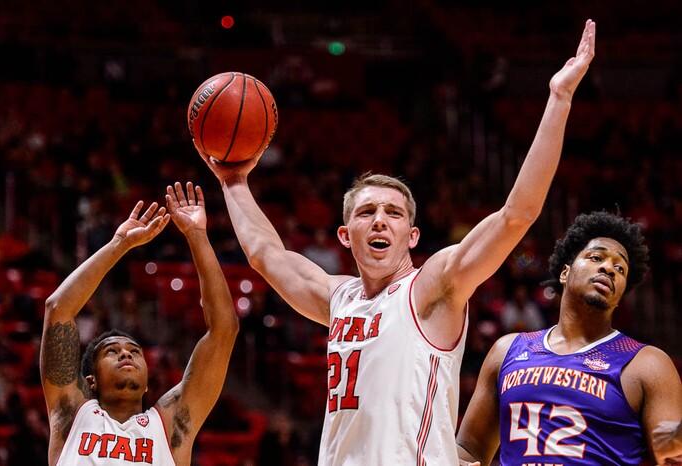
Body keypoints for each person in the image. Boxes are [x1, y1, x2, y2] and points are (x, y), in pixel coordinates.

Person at [195, 19, 596, 466]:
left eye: (394, 214)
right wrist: (232, 180)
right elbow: (265, 254)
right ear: (346, 236)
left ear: (413, 235)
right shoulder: (338, 299)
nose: (380, 221)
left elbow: (516, 215)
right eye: (367, 213)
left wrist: (559, 99)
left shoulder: (432, 289)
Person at [456, 211, 682, 465]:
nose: (609, 268)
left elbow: (671, 455)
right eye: (596, 257)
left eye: (620, 268)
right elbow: (469, 449)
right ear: (565, 272)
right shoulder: (506, 350)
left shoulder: (648, 364)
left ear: (620, 296)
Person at [40, 182, 239, 466]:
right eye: (111, 352)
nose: (126, 354)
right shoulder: (71, 415)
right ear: (90, 381)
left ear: (147, 383)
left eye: (135, 352)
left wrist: (197, 236)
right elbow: (58, 308)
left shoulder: (171, 426)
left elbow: (224, 329)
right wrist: (119, 245)